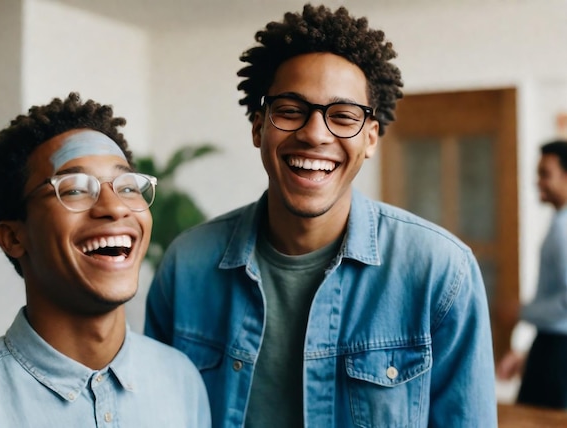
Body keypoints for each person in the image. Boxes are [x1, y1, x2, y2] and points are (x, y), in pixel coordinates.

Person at [144, 4, 496, 427]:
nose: (314, 133)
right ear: (259, 127)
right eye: (291, 110)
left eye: (343, 116)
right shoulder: (187, 266)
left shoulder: (440, 271)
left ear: (370, 139)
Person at [0, 93, 211, 427]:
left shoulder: (182, 380)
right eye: (74, 189)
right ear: (13, 237)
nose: (115, 207)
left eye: (127, 187)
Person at [497, 140, 567, 409]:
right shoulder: (558, 223)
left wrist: (521, 312)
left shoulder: (563, 231)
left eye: (544, 174)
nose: (538, 182)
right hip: (550, 348)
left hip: (557, 352)